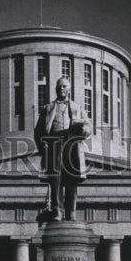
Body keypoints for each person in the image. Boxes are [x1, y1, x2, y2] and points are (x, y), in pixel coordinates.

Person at [34, 76, 92, 221]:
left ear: (69, 89)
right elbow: (38, 131)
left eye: (64, 86)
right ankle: (57, 211)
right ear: (56, 89)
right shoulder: (48, 108)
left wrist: (84, 130)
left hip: (71, 143)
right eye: (59, 86)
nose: (62, 89)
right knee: (56, 179)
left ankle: (71, 211)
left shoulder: (77, 108)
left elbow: (89, 127)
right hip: (54, 143)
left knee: (71, 178)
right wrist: (42, 144)